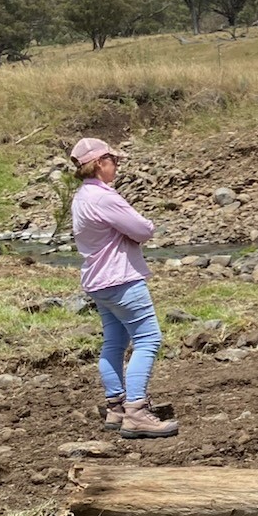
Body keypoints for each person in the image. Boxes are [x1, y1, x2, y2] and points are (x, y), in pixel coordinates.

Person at [69, 137, 178, 439]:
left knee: (114, 341)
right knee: (148, 338)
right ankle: (137, 412)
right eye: (114, 160)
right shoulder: (105, 197)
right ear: (100, 162)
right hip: (121, 279)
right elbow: (143, 230)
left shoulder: (82, 197)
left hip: (97, 280)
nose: (117, 165)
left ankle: (115, 406)